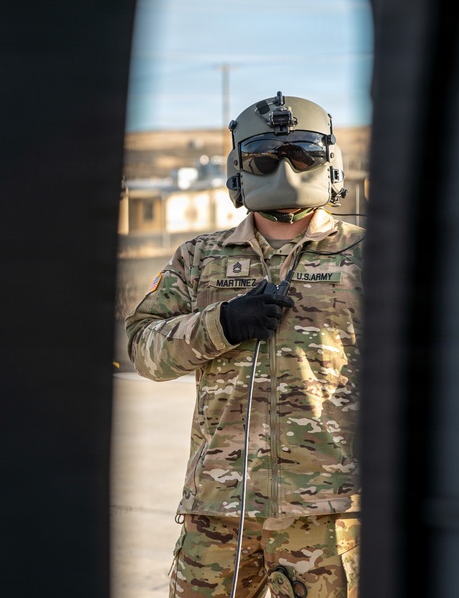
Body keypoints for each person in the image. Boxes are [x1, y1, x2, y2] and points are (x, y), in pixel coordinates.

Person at [126, 92, 363, 598]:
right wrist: (222, 324)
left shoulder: (365, 255)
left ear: (330, 163)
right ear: (239, 169)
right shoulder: (201, 258)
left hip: (328, 512)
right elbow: (143, 350)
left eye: (302, 155)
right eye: (265, 158)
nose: (286, 170)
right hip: (219, 511)